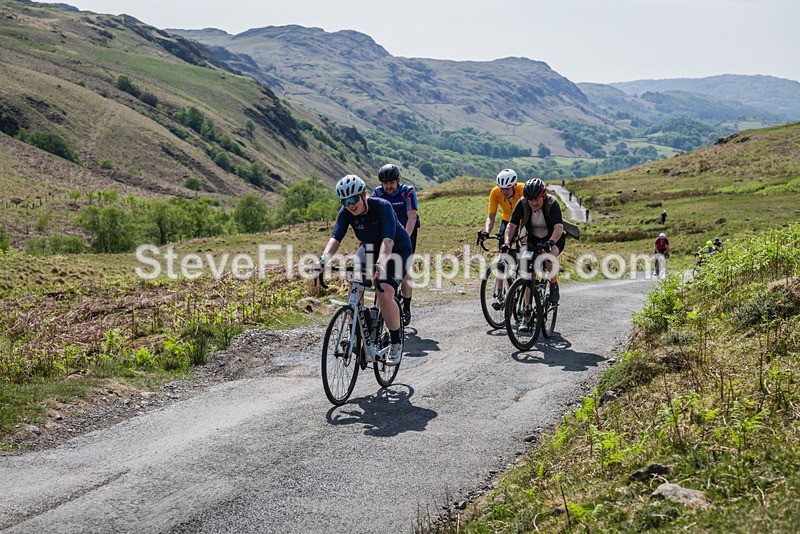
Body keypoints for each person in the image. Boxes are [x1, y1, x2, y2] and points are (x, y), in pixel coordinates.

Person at [320, 175, 412, 365]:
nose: (350, 205)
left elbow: (387, 242)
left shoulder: (382, 207)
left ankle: (395, 341)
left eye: (353, 199)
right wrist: (323, 260)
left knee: (385, 293)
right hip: (369, 248)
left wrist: (380, 265)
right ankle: (354, 334)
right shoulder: (345, 213)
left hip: (396, 249)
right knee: (355, 283)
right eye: (345, 201)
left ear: (364, 195)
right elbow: (335, 238)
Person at [503, 178, 565, 305]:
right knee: (528, 273)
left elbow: (559, 228)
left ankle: (553, 285)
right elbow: (511, 225)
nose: (534, 202)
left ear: (544, 195)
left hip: (553, 237)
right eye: (530, 199)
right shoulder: (523, 203)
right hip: (533, 237)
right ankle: (527, 312)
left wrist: (550, 243)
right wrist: (507, 242)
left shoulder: (552, 203)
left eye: (537, 199)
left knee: (548, 256)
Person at [373, 163, 419, 326]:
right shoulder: (377, 193)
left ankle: (406, 308)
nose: (388, 187)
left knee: (404, 270)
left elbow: (411, 218)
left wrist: (402, 241)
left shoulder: (408, 192)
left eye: (391, 183)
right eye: (385, 184)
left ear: (398, 181)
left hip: (406, 232)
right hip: (386, 234)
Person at [477, 168, 524, 250]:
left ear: (514, 186)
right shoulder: (495, 192)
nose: (504, 192)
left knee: (527, 246)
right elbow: (491, 216)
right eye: (502, 188)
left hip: (523, 221)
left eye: (507, 188)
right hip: (507, 221)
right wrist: (487, 232)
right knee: (503, 248)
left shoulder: (523, 189)